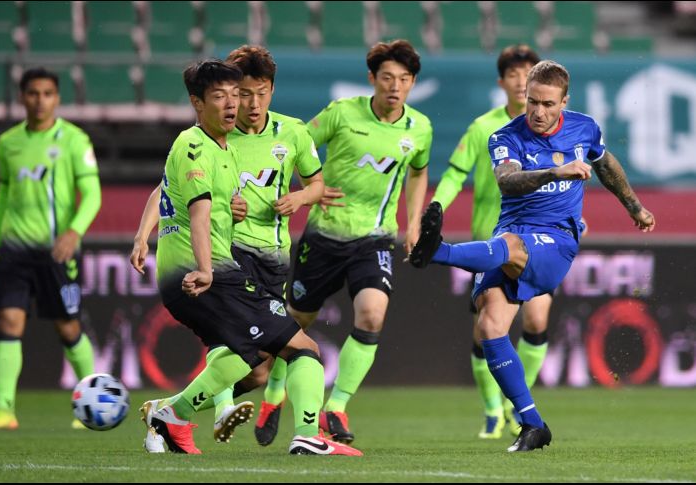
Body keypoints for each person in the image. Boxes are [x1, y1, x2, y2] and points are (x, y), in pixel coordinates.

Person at [409, 60, 656, 452]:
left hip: (557, 239)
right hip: (510, 231)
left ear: (564, 102)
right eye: (532, 102)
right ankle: (532, 423)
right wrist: (555, 173)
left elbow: (605, 163)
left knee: (511, 251)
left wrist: (634, 207)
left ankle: (437, 251)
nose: (538, 112)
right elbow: (508, 181)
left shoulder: (584, 127)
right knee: (491, 326)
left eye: (548, 104)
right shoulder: (504, 137)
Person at [134, 59, 360, 456]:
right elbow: (197, 209)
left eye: (237, 95)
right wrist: (203, 266)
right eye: (226, 96)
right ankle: (306, 432)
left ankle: (173, 414)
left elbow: (186, 195)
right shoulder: (198, 143)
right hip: (215, 266)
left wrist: (232, 205)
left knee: (251, 360)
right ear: (198, 102)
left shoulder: (226, 146)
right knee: (302, 348)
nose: (238, 104)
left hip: (236, 265)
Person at [285, 39, 432, 445]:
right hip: (324, 236)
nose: (395, 86)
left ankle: (336, 406)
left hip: (375, 239)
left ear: (412, 83)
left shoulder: (419, 127)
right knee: (296, 322)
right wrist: (310, 186)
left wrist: (413, 222)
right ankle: (273, 394)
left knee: (372, 314)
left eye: (403, 79)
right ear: (372, 79)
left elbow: (418, 173)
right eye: (387, 77)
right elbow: (297, 145)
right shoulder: (342, 113)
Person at [431, 45, 553, 439]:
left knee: (536, 321)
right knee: (487, 329)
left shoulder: (556, 131)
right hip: (490, 244)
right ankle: (491, 411)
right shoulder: (485, 128)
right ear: (502, 82)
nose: (521, 82)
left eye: (528, 74)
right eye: (514, 75)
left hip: (535, 243)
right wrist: (435, 208)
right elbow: (453, 174)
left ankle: (514, 402)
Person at [0, 67, 102, 431]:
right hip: (14, 251)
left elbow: (93, 194)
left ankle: (91, 407)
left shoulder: (74, 140)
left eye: (47, 93)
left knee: (68, 327)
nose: (40, 100)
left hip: (56, 251)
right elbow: (4, 194)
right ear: (22, 97)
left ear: (57, 98)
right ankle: (4, 410)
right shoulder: (8, 143)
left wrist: (74, 232)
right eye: (33, 93)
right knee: (8, 320)